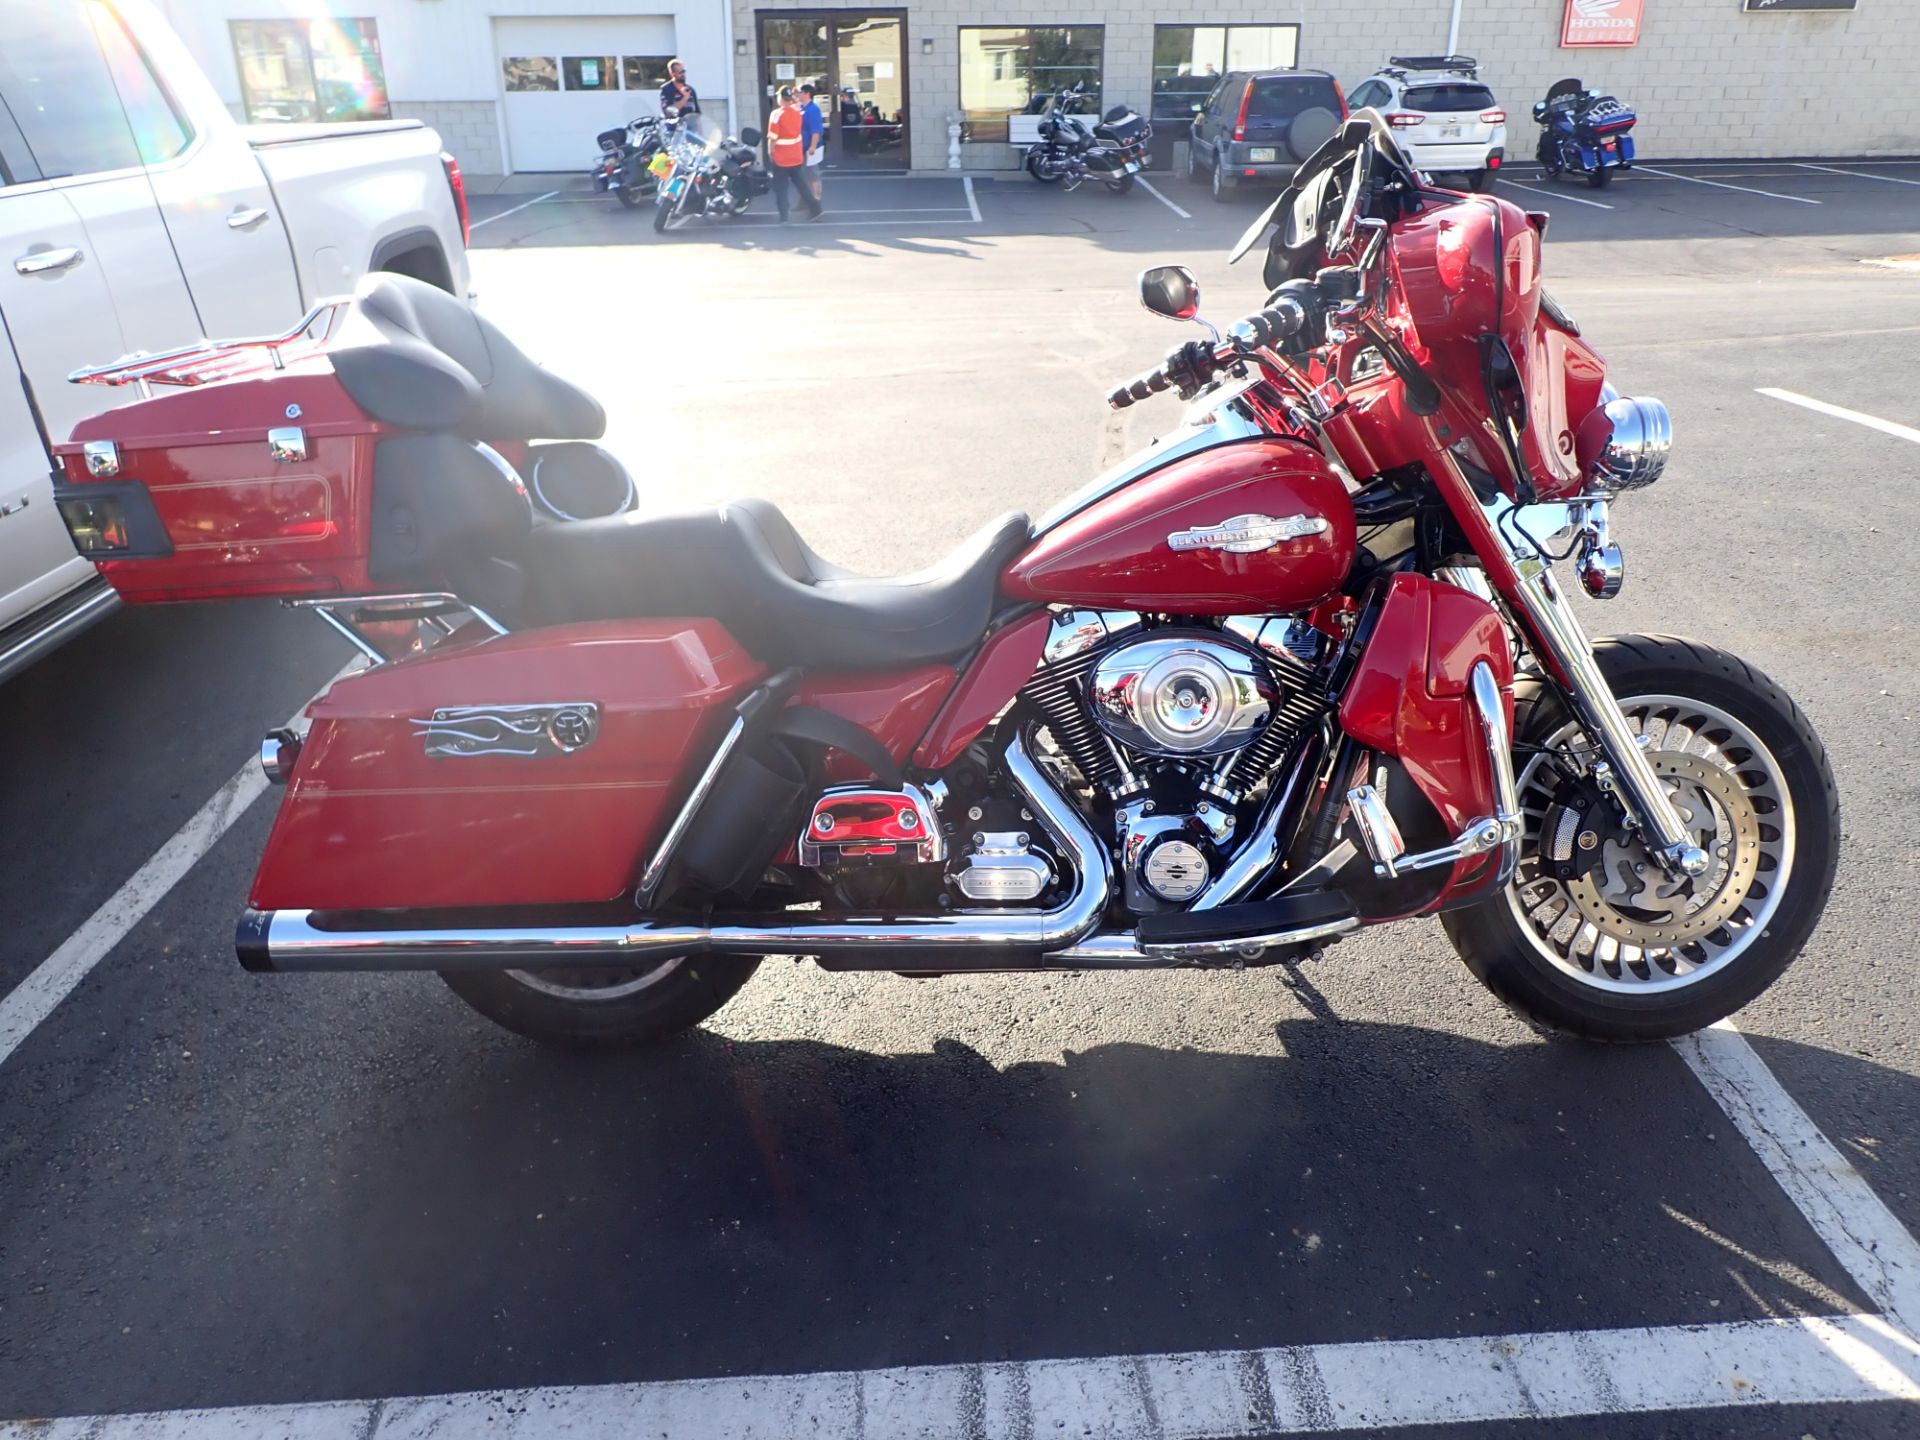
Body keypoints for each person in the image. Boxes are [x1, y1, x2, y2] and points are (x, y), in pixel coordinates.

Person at [766, 85, 822, 222]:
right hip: (796, 155)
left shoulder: (776, 115)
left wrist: (770, 153)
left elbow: (773, 138)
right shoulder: (797, 111)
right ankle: (815, 208)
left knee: (781, 188)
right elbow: (796, 104)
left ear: (780, 98)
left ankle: (784, 214)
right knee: (801, 183)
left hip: (781, 157)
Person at [798, 82, 826, 207]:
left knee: (813, 173)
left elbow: (816, 130)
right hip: (803, 147)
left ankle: (816, 199)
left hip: (811, 147)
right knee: (805, 175)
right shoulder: (802, 109)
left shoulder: (813, 109)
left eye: (801, 93)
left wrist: (813, 146)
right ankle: (806, 200)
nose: (799, 95)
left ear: (807, 94)